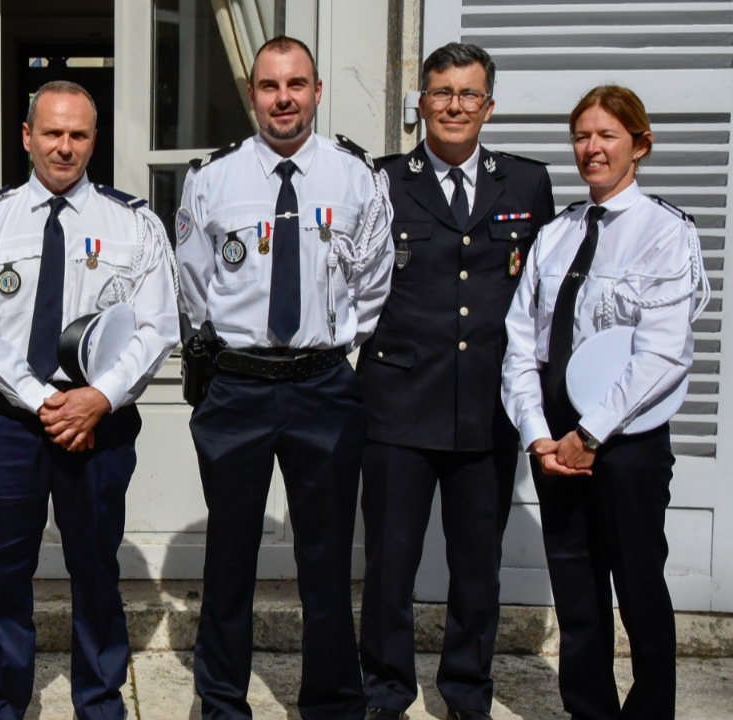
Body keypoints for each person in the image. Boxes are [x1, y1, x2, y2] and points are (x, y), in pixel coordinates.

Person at [176, 36, 393, 720]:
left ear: (317, 91)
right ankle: (221, 702)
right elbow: (192, 285)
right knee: (229, 560)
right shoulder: (212, 179)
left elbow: (374, 280)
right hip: (237, 386)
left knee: (326, 562)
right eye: (270, 86)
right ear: (253, 95)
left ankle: (331, 703)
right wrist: (239, 353)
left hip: (324, 387)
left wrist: (328, 345)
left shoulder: (356, 177)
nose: (284, 99)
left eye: (297, 84)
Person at [0, 80, 179, 720]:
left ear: (94, 139)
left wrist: (97, 398)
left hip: (99, 424)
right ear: (27, 136)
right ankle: (5, 703)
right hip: (10, 424)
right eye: (52, 133)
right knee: (4, 573)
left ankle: (100, 703)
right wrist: (36, 399)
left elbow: (159, 326)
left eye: (78, 134)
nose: (65, 147)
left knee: (96, 572)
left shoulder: (133, 223)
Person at [355, 43, 555, 720]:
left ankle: (467, 693)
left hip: (485, 408)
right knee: (390, 568)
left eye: (469, 94)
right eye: (442, 92)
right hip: (396, 405)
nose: (455, 106)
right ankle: (386, 691)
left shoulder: (526, 184)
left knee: (478, 568)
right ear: (421, 103)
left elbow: (542, 298)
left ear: (489, 106)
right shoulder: (380, 180)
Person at [501, 85, 707, 720]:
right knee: (576, 595)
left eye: (608, 135)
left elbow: (663, 352)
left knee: (640, 588)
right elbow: (520, 344)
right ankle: (588, 711)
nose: (591, 148)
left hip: (626, 446)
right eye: (582, 135)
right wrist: (540, 434)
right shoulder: (555, 235)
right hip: (557, 446)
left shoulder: (664, 233)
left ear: (639, 146)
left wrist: (588, 435)